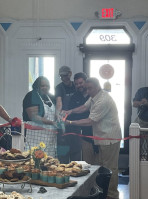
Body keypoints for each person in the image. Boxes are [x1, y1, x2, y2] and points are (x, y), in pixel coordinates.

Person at [64, 77, 122, 199]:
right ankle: (103, 193)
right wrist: (69, 111)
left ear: (97, 87)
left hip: (109, 138)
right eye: (87, 88)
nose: (87, 91)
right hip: (102, 138)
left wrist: (69, 123)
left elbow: (90, 121)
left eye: (89, 88)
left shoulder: (103, 100)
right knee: (103, 167)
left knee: (110, 168)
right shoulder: (94, 97)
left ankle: (111, 195)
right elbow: (84, 107)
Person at [67, 72, 99, 164]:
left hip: (99, 134)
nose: (79, 85)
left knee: (100, 162)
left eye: (81, 83)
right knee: (87, 163)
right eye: (76, 84)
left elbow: (86, 110)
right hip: (84, 135)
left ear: (87, 82)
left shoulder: (95, 95)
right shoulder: (74, 97)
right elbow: (72, 114)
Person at [23, 76, 57, 157]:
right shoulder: (31, 96)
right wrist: (52, 122)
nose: (45, 88)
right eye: (42, 86)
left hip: (50, 138)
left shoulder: (51, 97)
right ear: (36, 86)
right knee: (35, 161)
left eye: (47, 86)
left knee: (49, 161)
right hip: (34, 137)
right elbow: (33, 117)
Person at [55, 66, 76, 163]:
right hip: (63, 122)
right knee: (63, 153)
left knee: (76, 152)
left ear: (70, 74)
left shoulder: (76, 86)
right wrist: (58, 114)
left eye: (65, 75)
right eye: (61, 76)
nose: (63, 78)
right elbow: (59, 102)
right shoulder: (59, 87)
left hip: (76, 122)